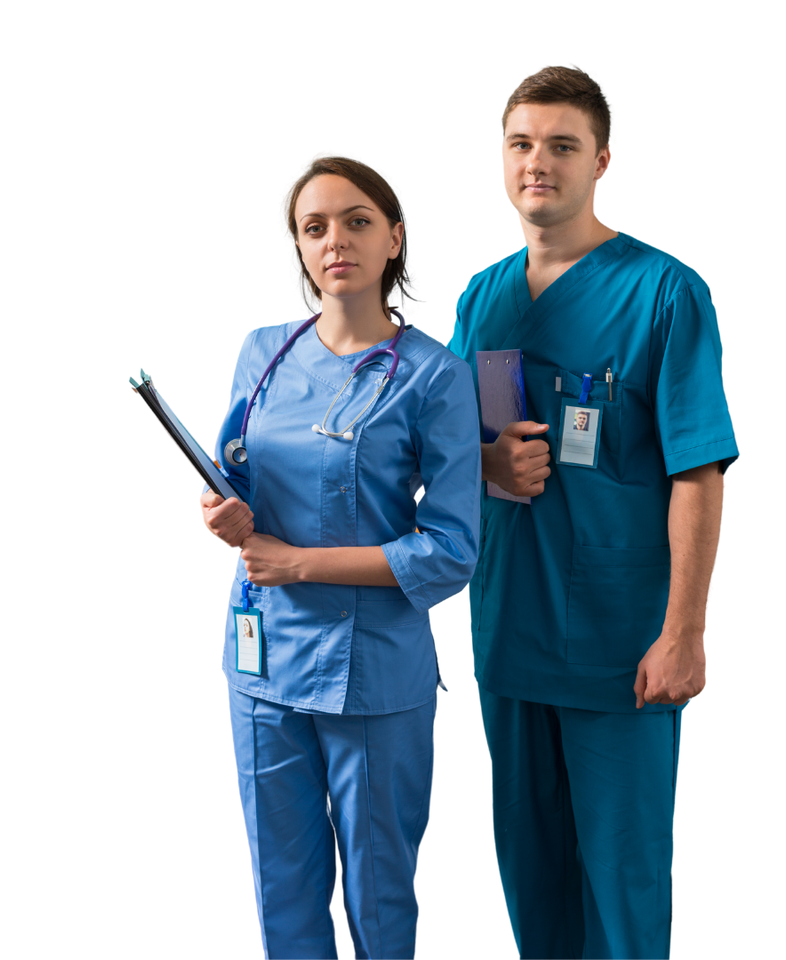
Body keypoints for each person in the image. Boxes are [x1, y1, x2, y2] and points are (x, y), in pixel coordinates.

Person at [448, 67, 738, 960]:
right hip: (510, 630)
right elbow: (445, 447)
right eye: (521, 144)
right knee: (533, 880)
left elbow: (698, 470)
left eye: (562, 146)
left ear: (601, 160)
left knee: (622, 883)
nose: (538, 162)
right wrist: (486, 461)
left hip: (620, 647)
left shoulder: (664, 293)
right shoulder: (483, 297)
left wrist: (683, 631)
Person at [200, 157, 481, 960]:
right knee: (281, 883)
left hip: (374, 669)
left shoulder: (434, 375)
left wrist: (299, 565)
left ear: (394, 238)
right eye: (314, 227)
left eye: (357, 221)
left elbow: (452, 550)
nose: (335, 241)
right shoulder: (263, 353)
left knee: (378, 889)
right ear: (298, 246)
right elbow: (238, 477)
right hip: (263, 657)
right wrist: (224, 512)